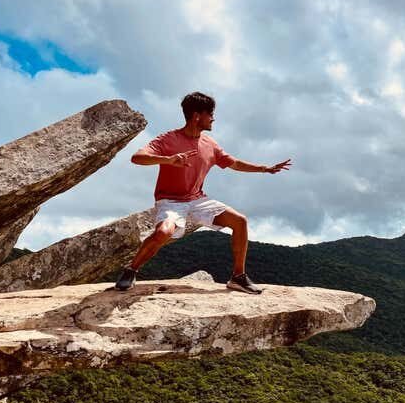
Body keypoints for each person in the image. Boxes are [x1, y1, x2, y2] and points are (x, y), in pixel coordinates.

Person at [115, 92, 291, 294]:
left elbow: (234, 163)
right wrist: (168, 159)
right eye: (211, 114)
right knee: (163, 232)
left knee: (240, 221)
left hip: (197, 199)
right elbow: (137, 157)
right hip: (170, 201)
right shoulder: (168, 139)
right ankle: (131, 270)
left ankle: (238, 277)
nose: (213, 118)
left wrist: (264, 168)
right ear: (197, 116)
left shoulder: (210, 144)